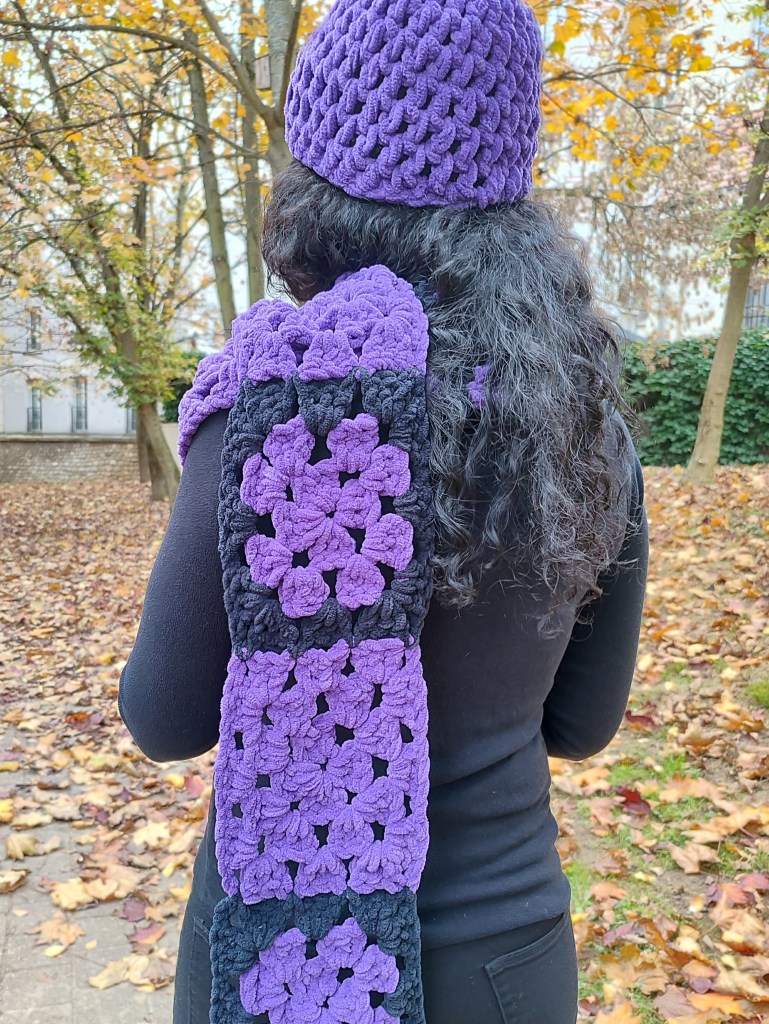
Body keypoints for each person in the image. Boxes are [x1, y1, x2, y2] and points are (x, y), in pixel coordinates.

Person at [119, 1, 649, 1022]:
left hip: (275, 956)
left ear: (318, 186)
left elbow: (162, 717)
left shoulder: (265, 413)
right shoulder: (582, 428)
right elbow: (582, 726)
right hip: (506, 964)